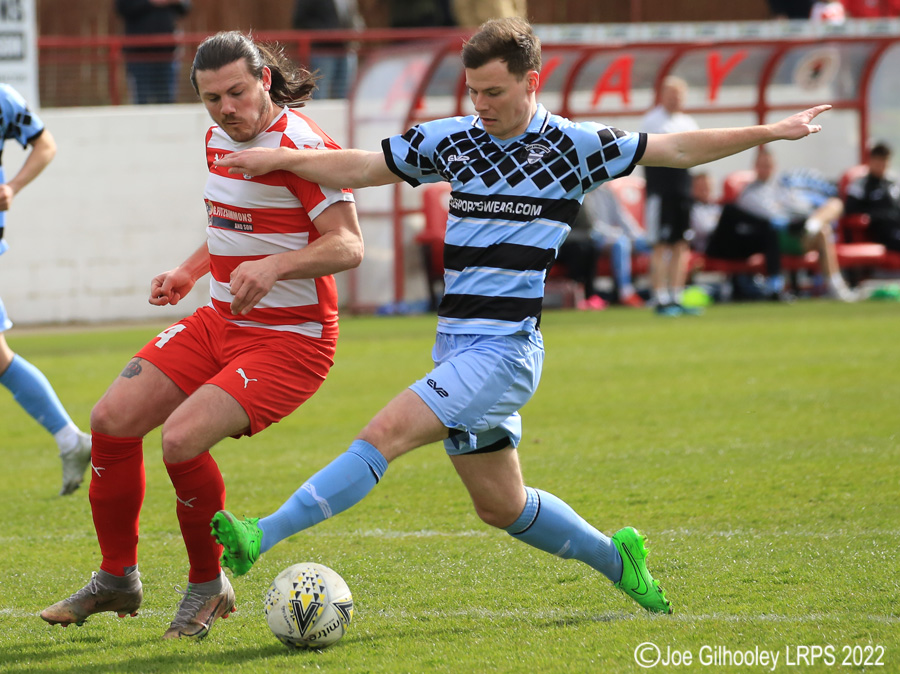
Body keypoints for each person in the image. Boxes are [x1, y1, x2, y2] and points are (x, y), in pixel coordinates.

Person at [210, 17, 831, 618]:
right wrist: (282, 161)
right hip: (455, 347)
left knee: (384, 435)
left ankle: (260, 534)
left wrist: (770, 131)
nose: (480, 103)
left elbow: (677, 148)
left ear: (533, 80)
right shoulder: (451, 138)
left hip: (504, 351)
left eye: (495, 91)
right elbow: (364, 168)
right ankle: (619, 561)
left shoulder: (573, 146)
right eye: (473, 90)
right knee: (501, 505)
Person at [40, 32, 364, 639]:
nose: (226, 109)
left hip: (289, 341)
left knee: (181, 440)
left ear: (265, 79)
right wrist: (190, 272)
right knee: (111, 418)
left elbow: (348, 246)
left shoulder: (303, 146)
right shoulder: (218, 138)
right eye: (212, 98)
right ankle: (117, 578)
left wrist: (273, 268)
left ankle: (207, 585)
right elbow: (231, 221)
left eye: (238, 93)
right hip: (219, 320)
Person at [0, 84, 92, 497]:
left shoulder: (3, 98)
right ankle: (71, 439)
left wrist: (13, 187)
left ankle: (71, 439)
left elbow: (45, 144)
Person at [736, 147, 857, 301]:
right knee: (822, 229)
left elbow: (802, 207)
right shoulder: (750, 193)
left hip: (800, 229)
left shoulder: (781, 186)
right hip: (778, 239)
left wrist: (797, 213)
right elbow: (774, 217)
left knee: (833, 208)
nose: (766, 168)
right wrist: (790, 211)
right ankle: (813, 226)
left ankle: (813, 226)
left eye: (769, 164)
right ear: (755, 166)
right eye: (762, 164)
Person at [641, 76, 700, 316]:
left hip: (683, 194)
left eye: (679, 94)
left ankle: (677, 294)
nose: (675, 99)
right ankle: (660, 296)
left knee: (680, 245)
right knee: (660, 244)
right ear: (662, 96)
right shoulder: (653, 121)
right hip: (661, 193)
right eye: (671, 94)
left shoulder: (688, 122)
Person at [692, 171, 791, 302]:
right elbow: (705, 229)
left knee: (768, 232)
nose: (705, 190)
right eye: (701, 187)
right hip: (712, 249)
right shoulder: (693, 208)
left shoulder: (717, 206)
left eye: (707, 186)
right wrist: (722, 220)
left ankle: (775, 286)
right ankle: (765, 222)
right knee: (731, 209)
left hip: (730, 245)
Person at [583, 183, 651, 307]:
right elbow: (594, 225)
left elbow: (622, 217)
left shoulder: (607, 192)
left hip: (615, 235)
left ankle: (659, 290)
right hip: (595, 237)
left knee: (649, 244)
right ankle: (625, 291)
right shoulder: (585, 193)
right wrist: (617, 234)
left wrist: (639, 235)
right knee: (621, 243)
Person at [116, 0, 192, 104]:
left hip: (166, 55)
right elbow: (122, 8)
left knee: (167, 102)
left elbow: (185, 7)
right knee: (141, 102)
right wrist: (151, 2)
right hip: (138, 55)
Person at [292, 0, 364, 99]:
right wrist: (328, 33)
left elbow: (354, 17)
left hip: (346, 49)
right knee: (321, 91)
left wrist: (357, 33)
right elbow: (300, 21)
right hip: (323, 51)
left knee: (346, 93)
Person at [843, 141, 900, 251]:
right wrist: (873, 216)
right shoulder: (861, 184)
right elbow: (850, 209)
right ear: (870, 161)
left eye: (885, 160)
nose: (882, 165)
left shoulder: (893, 183)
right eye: (878, 160)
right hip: (881, 231)